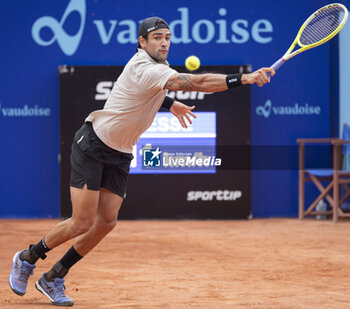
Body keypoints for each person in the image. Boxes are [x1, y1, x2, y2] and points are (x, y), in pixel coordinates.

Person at [9, 16, 274, 307]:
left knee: (106, 222)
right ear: (142, 42)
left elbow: (150, 93)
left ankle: (54, 277)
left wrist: (170, 104)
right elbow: (196, 82)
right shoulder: (142, 66)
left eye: (168, 37)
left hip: (121, 153)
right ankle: (28, 258)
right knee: (82, 222)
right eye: (157, 37)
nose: (164, 42)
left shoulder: (156, 70)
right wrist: (244, 78)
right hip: (93, 145)